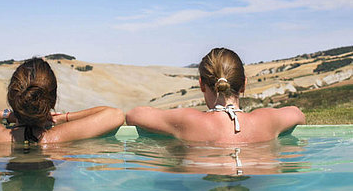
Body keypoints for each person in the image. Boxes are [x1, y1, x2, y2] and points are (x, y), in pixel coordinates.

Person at [126, 47, 305, 143]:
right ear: (243, 85)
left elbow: (133, 115)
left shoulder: (187, 121)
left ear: (202, 85)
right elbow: (298, 114)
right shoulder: (266, 120)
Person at [0, 57, 124, 145]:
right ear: (53, 99)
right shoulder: (60, 137)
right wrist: (62, 118)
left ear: (13, 97)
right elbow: (115, 115)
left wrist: (8, 115)